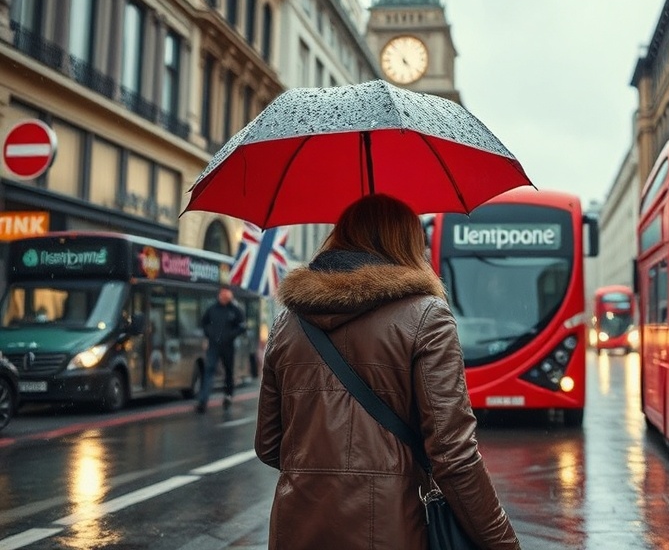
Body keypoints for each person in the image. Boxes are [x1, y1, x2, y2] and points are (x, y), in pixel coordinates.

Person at [254, 194, 520, 549]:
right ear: (409, 244)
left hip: (297, 529)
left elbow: (269, 446)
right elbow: (454, 457)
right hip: (390, 529)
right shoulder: (427, 317)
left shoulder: (287, 323)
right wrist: (503, 543)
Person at [198, 287, 246, 413]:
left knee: (228, 372)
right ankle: (203, 401)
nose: (224, 298)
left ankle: (228, 396)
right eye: (223, 296)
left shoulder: (235, 310)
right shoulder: (212, 309)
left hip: (228, 346)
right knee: (209, 370)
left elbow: (242, 326)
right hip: (214, 345)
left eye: (227, 297)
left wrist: (230, 335)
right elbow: (203, 323)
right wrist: (209, 334)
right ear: (219, 296)